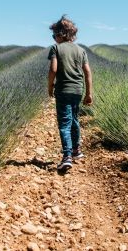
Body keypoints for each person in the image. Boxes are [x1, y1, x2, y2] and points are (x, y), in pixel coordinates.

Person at [47, 15, 93, 171]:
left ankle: (66, 156)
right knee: (74, 119)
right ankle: (76, 151)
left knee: (64, 123)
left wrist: (49, 86)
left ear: (61, 34)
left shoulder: (56, 48)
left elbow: (53, 69)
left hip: (63, 89)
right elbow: (87, 73)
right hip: (78, 90)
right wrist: (89, 94)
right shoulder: (81, 50)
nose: (54, 39)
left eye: (54, 35)